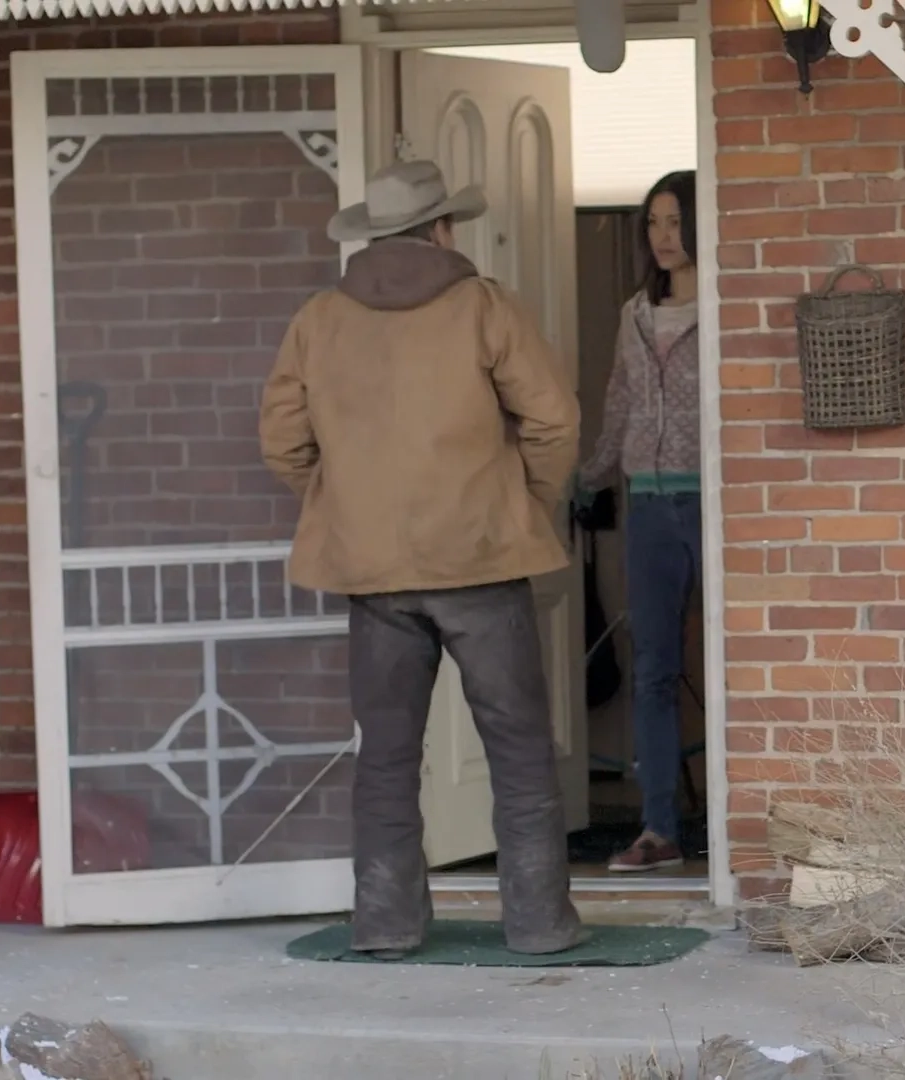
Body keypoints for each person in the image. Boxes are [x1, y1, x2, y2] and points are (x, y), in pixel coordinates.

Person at [260, 159, 586, 956]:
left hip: (372, 573)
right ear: (443, 230)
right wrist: (522, 506)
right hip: (480, 562)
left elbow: (280, 442)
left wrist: (348, 507)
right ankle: (539, 923)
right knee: (517, 750)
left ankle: (385, 922)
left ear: (372, 235)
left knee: (387, 758)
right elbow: (555, 423)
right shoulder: (484, 307)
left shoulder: (318, 318)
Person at [578, 170, 702, 873]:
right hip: (649, 508)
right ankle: (658, 829)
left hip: (714, 504)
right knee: (653, 669)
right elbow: (619, 403)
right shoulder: (633, 315)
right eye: (653, 222)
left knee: (731, 663)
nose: (663, 235)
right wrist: (587, 478)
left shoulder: (725, 308)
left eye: (675, 221)